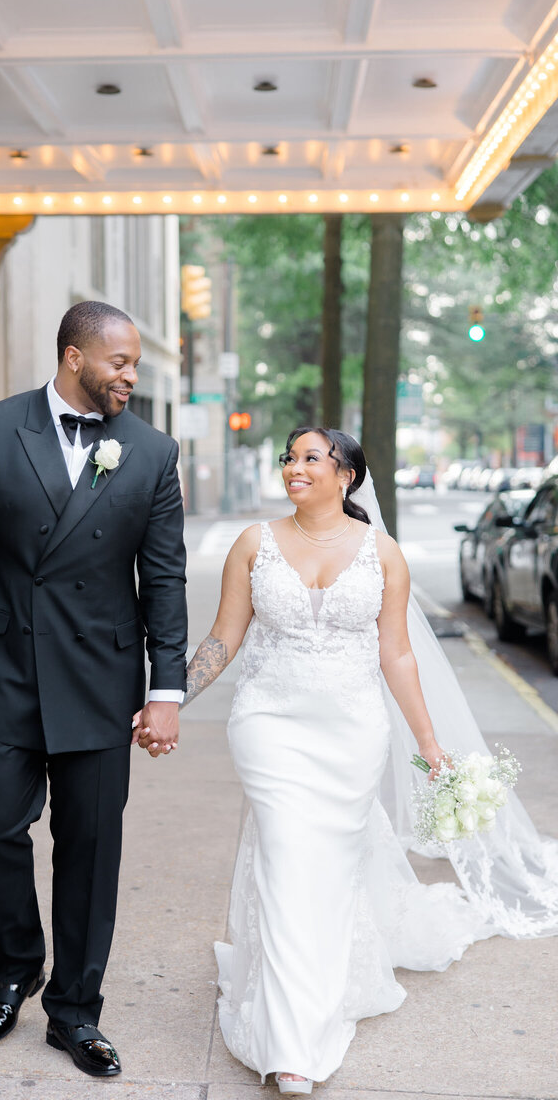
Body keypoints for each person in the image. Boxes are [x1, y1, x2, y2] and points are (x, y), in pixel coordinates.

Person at [173, 425, 558, 1094]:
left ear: (346, 475)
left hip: (351, 731)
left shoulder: (383, 555)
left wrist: (431, 746)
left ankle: (312, 992)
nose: (294, 468)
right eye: (289, 458)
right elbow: (222, 638)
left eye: (310, 459)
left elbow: (398, 654)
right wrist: (168, 698)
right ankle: (293, 1042)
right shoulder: (252, 544)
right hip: (269, 723)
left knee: (326, 870)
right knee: (289, 858)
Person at [0, 300, 187, 1078]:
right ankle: (15, 969)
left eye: (134, 364)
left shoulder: (151, 451)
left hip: (101, 681)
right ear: (74, 357)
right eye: (121, 363)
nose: (131, 377)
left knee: (91, 849)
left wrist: (164, 686)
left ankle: (74, 1011)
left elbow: (163, 579)